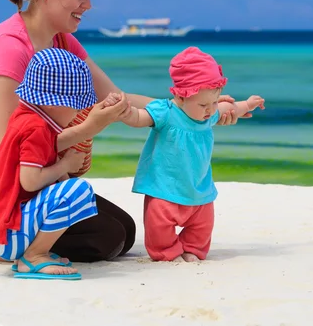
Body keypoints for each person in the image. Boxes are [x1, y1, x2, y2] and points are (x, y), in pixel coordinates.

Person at [0, 0, 244, 264]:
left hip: (30, 182)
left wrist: (192, 105)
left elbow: (115, 98)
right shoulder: (10, 47)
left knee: (125, 231)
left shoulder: (62, 40)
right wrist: (88, 129)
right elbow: (8, 150)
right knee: (107, 239)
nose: (88, 5)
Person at [113, 46, 265, 262]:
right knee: (159, 227)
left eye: (214, 102)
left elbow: (230, 109)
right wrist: (125, 112)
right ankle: (168, 252)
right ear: (181, 97)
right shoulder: (165, 112)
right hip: (164, 188)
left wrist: (248, 104)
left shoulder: (209, 116)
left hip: (198, 187)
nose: (210, 109)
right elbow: (139, 119)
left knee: (202, 225)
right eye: (203, 104)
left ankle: (192, 249)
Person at [0, 48, 107, 280]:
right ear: (53, 103)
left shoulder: (26, 115)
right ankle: (35, 256)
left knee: (71, 190)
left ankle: (34, 253)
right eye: (75, 105)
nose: (78, 111)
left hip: (4, 228)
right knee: (80, 190)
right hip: (10, 234)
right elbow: (30, 182)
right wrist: (66, 164)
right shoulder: (37, 129)